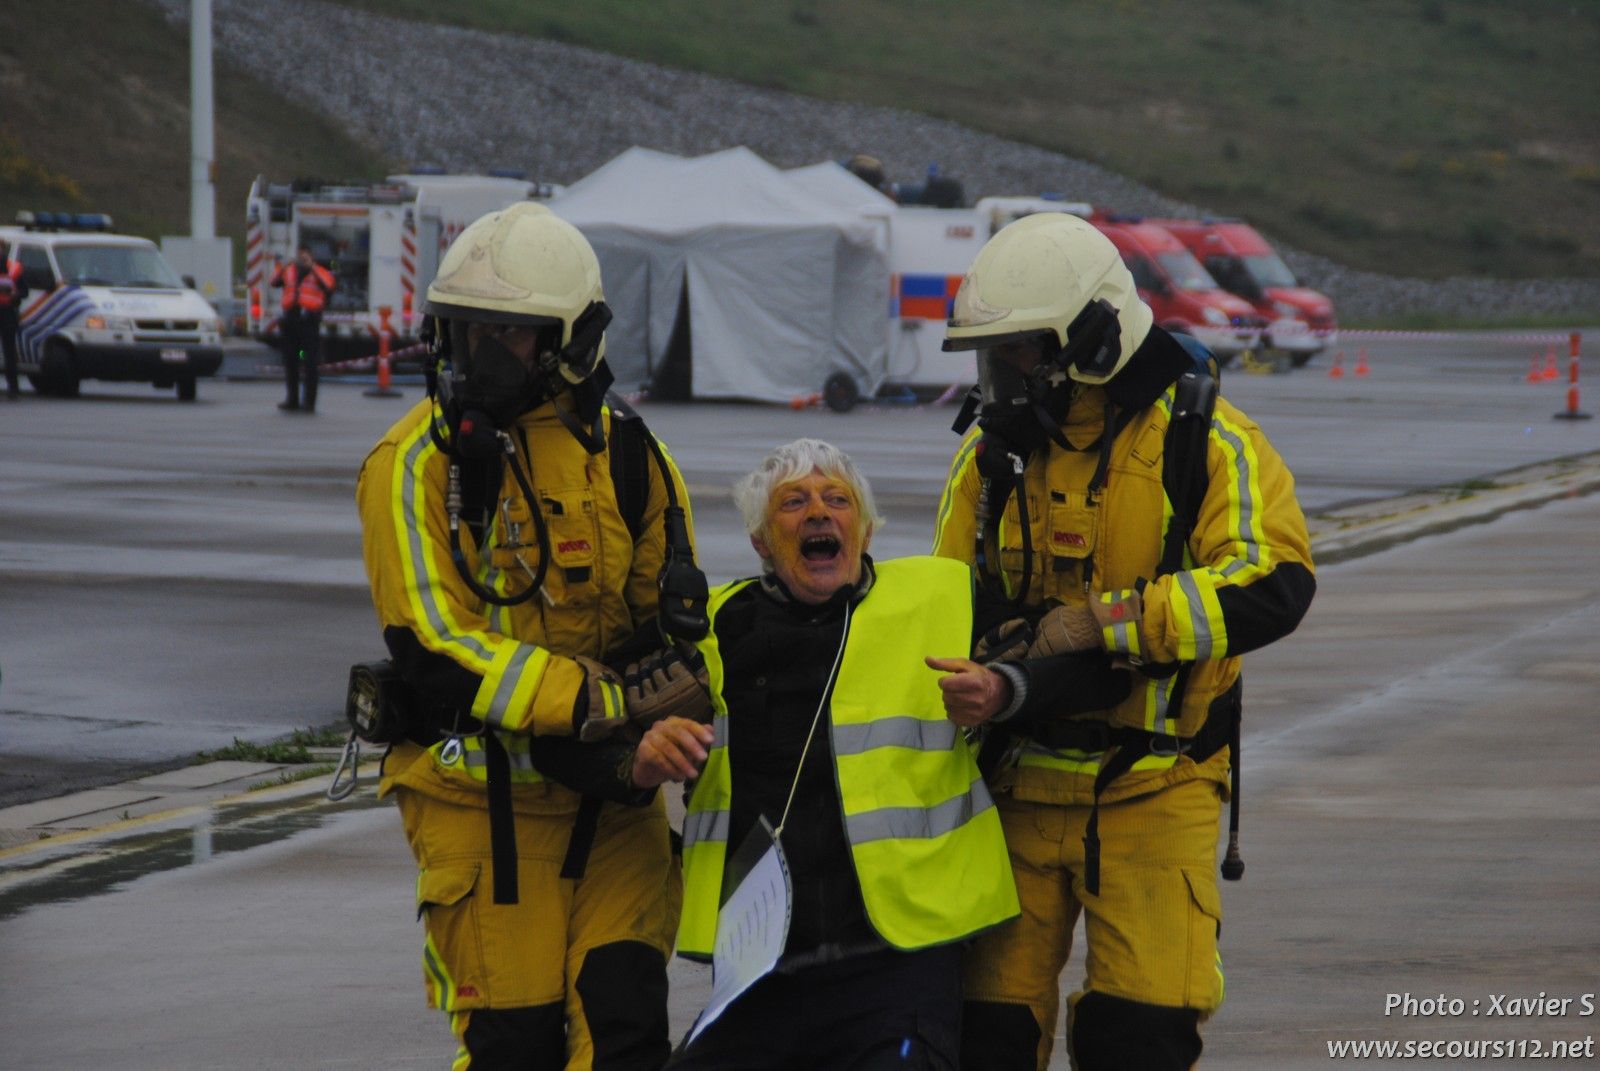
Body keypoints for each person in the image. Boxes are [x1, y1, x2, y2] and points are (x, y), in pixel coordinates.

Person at [933, 212, 1316, 1071]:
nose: (1004, 378)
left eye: (1021, 354)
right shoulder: (993, 460)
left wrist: (1112, 623)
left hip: (1156, 784)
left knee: (1138, 1038)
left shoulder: (1206, 441)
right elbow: (946, 597)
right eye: (995, 357)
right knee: (986, 1039)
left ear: (1095, 339)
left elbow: (1275, 581)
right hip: (1015, 786)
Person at [356, 202, 699, 1070]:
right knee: (514, 1052)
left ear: (570, 343)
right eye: (465, 330)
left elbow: (677, 619)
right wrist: (588, 699)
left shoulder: (633, 457)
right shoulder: (412, 466)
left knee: (625, 1038)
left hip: (615, 809)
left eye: (506, 334)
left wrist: (661, 702)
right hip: (483, 815)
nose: (478, 356)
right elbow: (431, 642)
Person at [630, 438, 1022, 1070]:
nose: (818, 513)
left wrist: (1005, 689)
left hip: (897, 961)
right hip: (760, 969)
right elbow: (635, 737)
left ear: (863, 530)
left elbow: (1055, 659)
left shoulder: (942, 598)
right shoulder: (712, 629)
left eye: (836, 499)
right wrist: (643, 758)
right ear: (761, 540)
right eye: (793, 503)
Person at [270, 244, 335, 412]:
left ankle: (309, 402)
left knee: (310, 363)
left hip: (309, 323)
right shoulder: (289, 270)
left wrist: (312, 267)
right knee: (291, 361)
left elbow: (329, 286)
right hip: (291, 322)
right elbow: (274, 281)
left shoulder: (320, 271)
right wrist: (283, 265)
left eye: (305, 256)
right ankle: (292, 399)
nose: (302, 259)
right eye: (300, 256)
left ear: (311, 257)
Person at [0, 238, 29, 400]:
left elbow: (25, 291)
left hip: (8, 313)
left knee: (9, 351)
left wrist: (14, 295)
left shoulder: (14, 269)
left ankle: (13, 388)